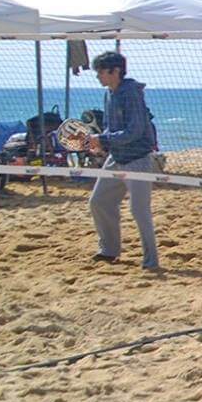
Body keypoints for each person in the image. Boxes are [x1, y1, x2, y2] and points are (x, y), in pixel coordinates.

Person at [86, 51, 160, 271]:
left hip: (137, 158)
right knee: (99, 201)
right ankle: (109, 251)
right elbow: (111, 127)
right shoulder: (110, 93)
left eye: (101, 71)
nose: (98, 76)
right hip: (116, 157)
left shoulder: (131, 93)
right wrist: (100, 144)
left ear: (115, 71)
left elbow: (135, 131)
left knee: (139, 211)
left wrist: (103, 139)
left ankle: (151, 262)